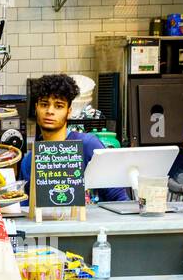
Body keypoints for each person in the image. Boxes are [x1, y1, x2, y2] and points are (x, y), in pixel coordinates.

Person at [18, 74, 129, 203]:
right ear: (36, 108)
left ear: (69, 111)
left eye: (58, 106)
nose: (50, 111)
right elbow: (25, 206)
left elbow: (119, 198)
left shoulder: (88, 145)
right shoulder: (29, 160)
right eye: (44, 104)